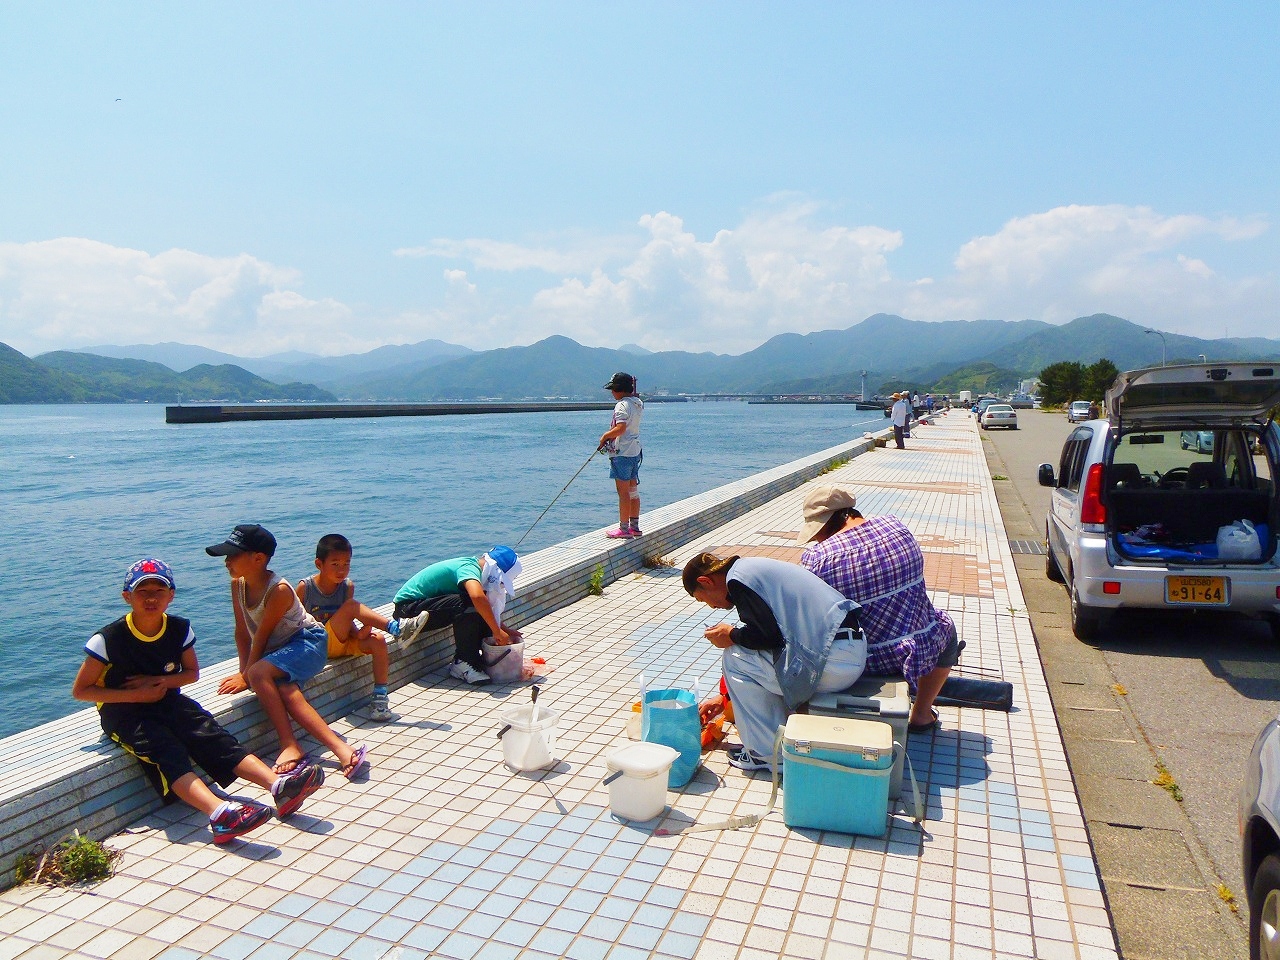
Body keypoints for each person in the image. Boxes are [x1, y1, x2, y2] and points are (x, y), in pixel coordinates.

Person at [71, 559, 325, 845]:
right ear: (127, 597)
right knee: (166, 749)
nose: (151, 598)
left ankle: (278, 786)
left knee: (210, 734)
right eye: (142, 591)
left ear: (171, 595)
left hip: (166, 700)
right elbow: (81, 690)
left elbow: (191, 673)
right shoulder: (108, 639)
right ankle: (219, 814)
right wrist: (137, 695)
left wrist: (162, 683)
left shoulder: (179, 629)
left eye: (159, 590)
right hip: (123, 714)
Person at [208, 524, 369, 780]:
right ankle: (342, 749)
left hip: (309, 643)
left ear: (258, 559)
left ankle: (289, 744)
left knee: (260, 673)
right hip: (282, 651)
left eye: (232, 555)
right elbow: (242, 632)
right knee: (284, 689)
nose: (226, 561)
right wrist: (242, 671)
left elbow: (259, 639)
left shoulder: (279, 590)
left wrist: (248, 676)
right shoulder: (237, 584)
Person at [797, 485, 961, 733]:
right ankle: (922, 714)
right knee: (945, 625)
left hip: (862, 660)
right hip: (919, 649)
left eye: (816, 531)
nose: (817, 538)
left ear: (826, 523)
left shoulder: (819, 557)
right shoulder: (897, 528)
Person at [682, 552, 866, 772]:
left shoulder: (737, 581)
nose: (711, 606)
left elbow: (767, 638)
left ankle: (767, 754)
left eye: (702, 599)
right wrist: (725, 697)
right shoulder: (751, 570)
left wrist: (731, 635)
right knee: (748, 656)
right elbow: (774, 642)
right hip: (847, 651)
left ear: (705, 581)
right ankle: (780, 738)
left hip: (833, 661)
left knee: (735, 656)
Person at [297, 534, 431, 723]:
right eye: (335, 564)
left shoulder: (346, 586)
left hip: (339, 642)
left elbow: (346, 621)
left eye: (346, 564)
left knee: (377, 640)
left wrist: (358, 634)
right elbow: (295, 623)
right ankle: (396, 628)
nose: (341, 570)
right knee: (352, 606)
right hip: (317, 645)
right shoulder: (306, 588)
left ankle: (379, 699)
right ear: (319, 564)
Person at [393, 546, 523, 685]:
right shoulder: (468, 568)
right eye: (502, 582)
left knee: (481, 608)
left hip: (425, 608)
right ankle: (462, 663)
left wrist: (504, 630)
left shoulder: (475, 571)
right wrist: (496, 631)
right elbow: (477, 598)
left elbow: (486, 608)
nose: (501, 586)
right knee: (472, 603)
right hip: (408, 610)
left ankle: (476, 659)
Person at [599, 371, 644, 538]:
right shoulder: (637, 403)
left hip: (622, 453)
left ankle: (623, 529)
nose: (611, 392)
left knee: (623, 492)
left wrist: (605, 436)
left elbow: (621, 428)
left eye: (613, 389)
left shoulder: (622, 405)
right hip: (635, 451)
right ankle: (635, 527)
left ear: (619, 389)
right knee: (633, 491)